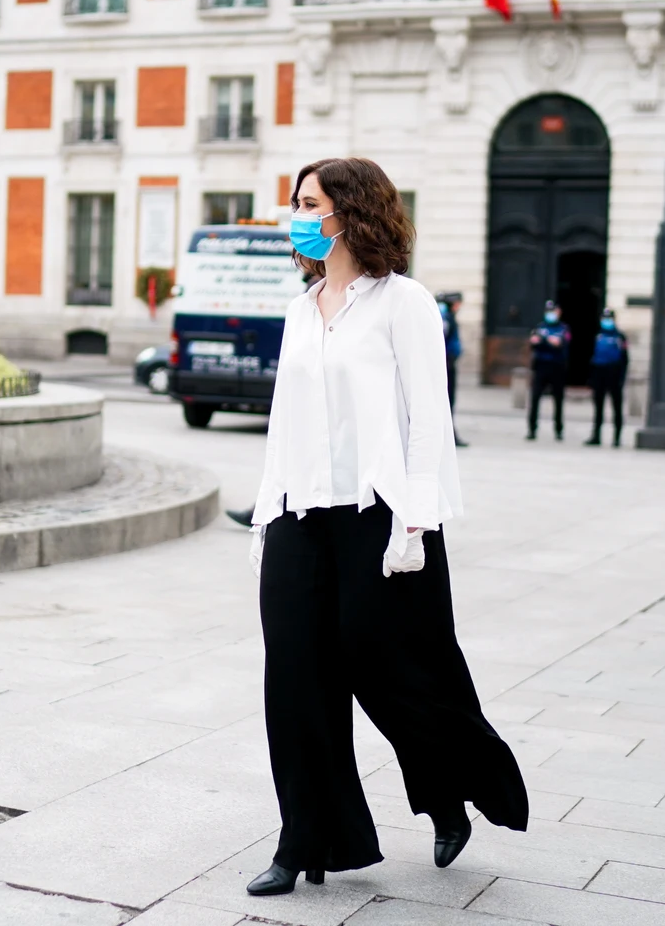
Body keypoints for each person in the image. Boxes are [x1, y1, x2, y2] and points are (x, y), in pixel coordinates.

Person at [245, 157, 528, 898]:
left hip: (379, 518)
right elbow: (284, 420)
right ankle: (304, 837)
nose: (299, 215)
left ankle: (450, 791)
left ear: (353, 212)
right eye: (297, 203)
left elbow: (429, 418)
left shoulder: (404, 303)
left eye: (311, 203)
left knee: (395, 674)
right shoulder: (302, 308)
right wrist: (264, 512)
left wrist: (415, 519)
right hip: (299, 519)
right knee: (294, 682)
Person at [525, 301, 570, 441]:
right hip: (540, 366)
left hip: (557, 367)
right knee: (535, 398)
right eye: (548, 311)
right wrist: (548, 341)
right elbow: (533, 343)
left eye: (553, 311)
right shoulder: (540, 327)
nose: (550, 314)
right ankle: (532, 429)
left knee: (558, 400)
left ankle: (558, 430)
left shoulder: (564, 328)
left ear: (559, 312)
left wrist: (543, 341)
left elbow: (560, 344)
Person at [586, 309, 628, 447]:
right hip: (599, 373)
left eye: (609, 318)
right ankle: (596, 435)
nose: (606, 321)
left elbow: (625, 358)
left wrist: (622, 377)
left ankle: (617, 438)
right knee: (598, 407)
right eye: (604, 318)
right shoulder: (597, 335)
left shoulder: (620, 337)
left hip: (614, 374)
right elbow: (591, 356)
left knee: (617, 407)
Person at [438, 292, 469, 448]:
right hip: (446, 364)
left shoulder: (447, 316)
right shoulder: (445, 318)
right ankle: (449, 436)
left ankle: (450, 434)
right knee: (448, 400)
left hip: (448, 362)